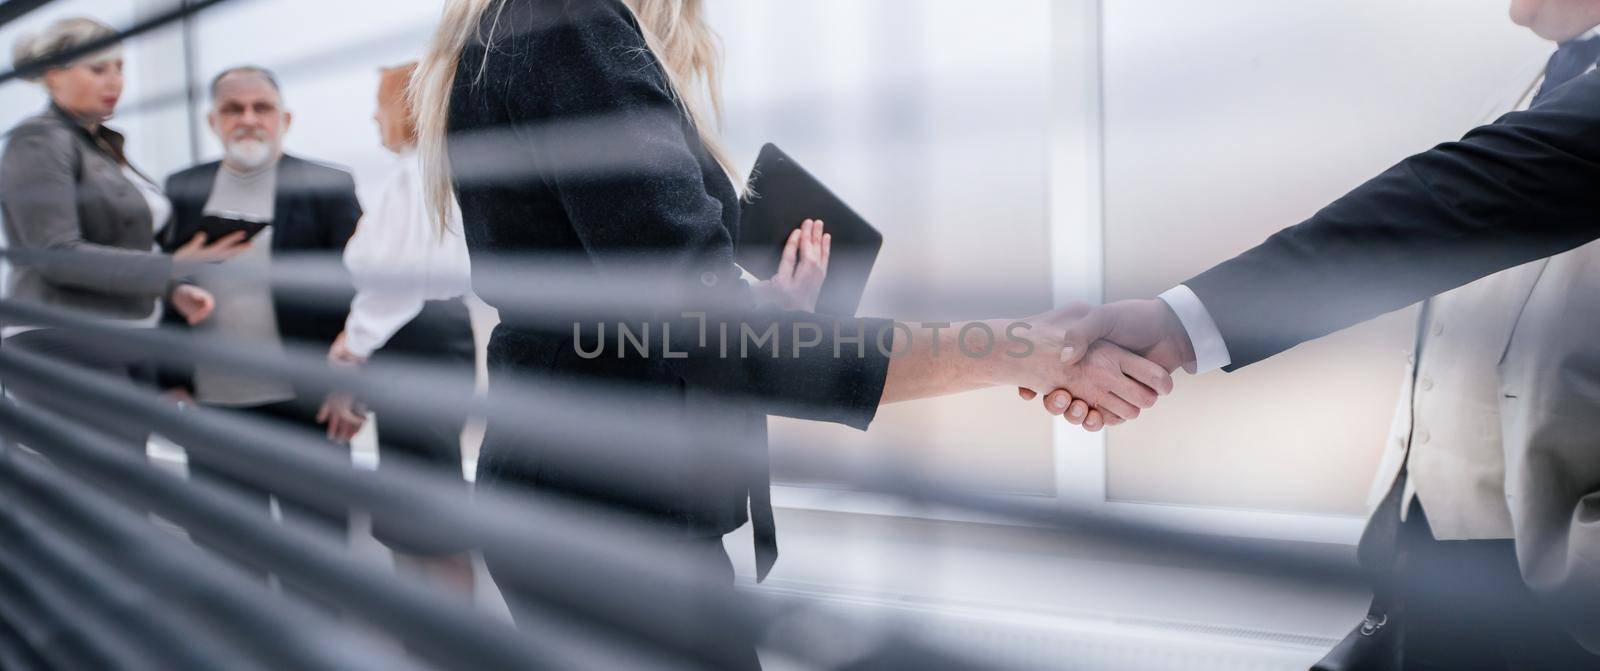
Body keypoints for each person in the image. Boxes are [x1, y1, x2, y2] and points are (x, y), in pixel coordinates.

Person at [413, 1, 1172, 667]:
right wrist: (1018, 347)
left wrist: (761, 308)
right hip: (604, 517)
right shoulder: (571, 28)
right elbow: (708, 336)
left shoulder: (521, 32)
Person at [1040, 3, 1600, 668]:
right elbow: (1447, 215)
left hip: (1561, 599)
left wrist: (1184, 323)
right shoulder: (1536, 82)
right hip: (1429, 574)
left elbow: (1453, 195)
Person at [157, 65, 364, 589]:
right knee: (228, 569)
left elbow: (360, 292)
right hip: (212, 413)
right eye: (233, 108)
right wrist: (169, 380)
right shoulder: (182, 189)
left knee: (317, 571)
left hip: (311, 409)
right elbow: (160, 286)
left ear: (284, 118)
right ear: (213, 121)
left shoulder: (328, 184)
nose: (248, 119)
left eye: (261, 107)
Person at [0, 17, 246, 452]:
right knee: (101, 490)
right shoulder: (38, 141)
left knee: (125, 484)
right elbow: (55, 252)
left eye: (119, 67)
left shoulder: (101, 146)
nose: (114, 80)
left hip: (122, 336)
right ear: (54, 72)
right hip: (64, 341)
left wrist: (171, 288)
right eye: (98, 69)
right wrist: (173, 267)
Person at [323, 62, 478, 594]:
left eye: (380, 102)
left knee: (424, 507)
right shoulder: (435, 173)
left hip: (413, 339)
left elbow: (396, 285)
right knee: (424, 500)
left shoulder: (414, 178)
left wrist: (349, 350)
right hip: (432, 337)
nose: (373, 115)